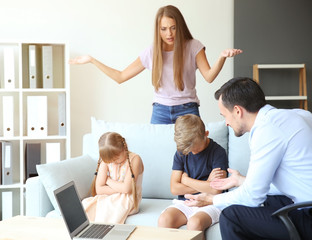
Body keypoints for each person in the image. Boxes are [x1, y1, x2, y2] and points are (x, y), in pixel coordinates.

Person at [184, 77, 312, 239]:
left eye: (225, 115)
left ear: (237, 111)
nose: (226, 123)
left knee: (232, 216)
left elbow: (252, 196)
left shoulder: (267, 130)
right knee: (267, 200)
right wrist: (242, 181)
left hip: (308, 214)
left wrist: (211, 199)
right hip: (303, 203)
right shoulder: (298, 115)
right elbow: (292, 182)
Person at [69, 5, 242, 124]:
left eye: (173, 27)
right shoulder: (152, 52)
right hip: (160, 112)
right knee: (159, 157)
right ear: (158, 30)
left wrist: (221, 57)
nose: (169, 33)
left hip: (188, 110)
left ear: (179, 27)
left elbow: (209, 77)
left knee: (192, 157)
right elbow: (120, 77)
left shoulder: (193, 46)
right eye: (164, 29)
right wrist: (92, 60)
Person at [157, 114, 228, 238]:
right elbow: (174, 188)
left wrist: (186, 180)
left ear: (206, 134)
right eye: (189, 150)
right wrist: (207, 184)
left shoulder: (218, 153)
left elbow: (216, 190)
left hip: (211, 203)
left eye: (195, 148)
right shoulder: (183, 151)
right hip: (187, 202)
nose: (192, 152)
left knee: (194, 223)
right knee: (164, 220)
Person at [82, 132, 144, 224]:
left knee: (110, 208)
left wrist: (108, 180)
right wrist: (121, 188)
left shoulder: (134, 159)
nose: (113, 162)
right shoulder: (107, 159)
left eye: (116, 159)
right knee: (86, 205)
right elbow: (99, 189)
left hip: (128, 199)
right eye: (111, 161)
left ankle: (104, 234)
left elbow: (127, 189)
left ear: (124, 148)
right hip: (109, 196)